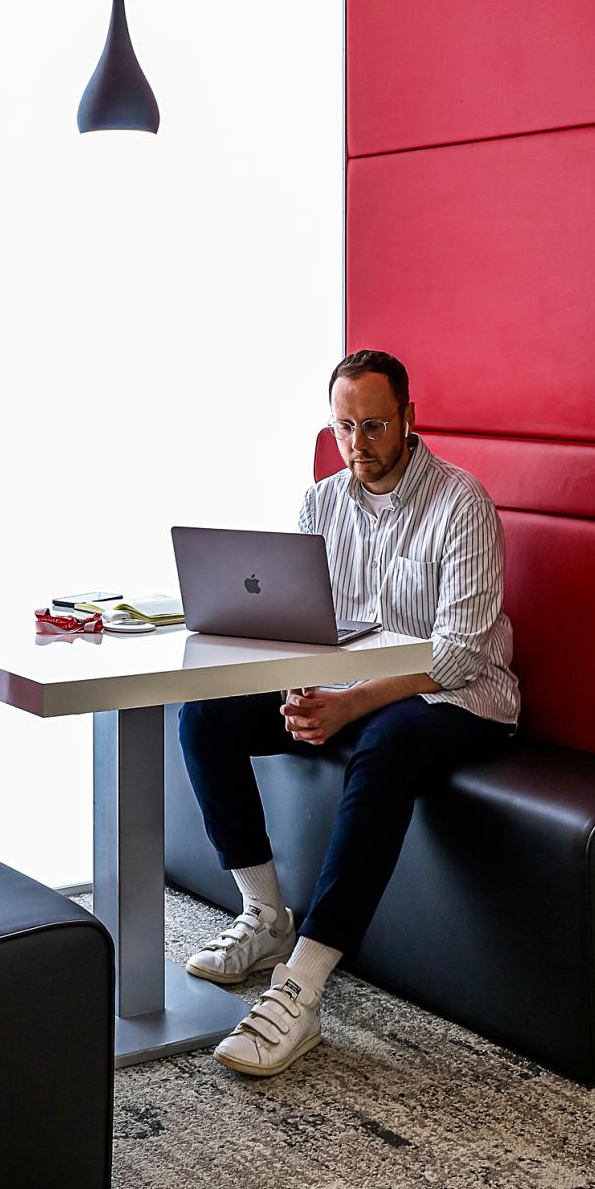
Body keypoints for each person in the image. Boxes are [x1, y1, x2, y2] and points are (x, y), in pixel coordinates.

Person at [177, 348, 517, 1078]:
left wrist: (351, 703)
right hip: (353, 692)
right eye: (343, 428)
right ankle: (265, 916)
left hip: (459, 700)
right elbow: (306, 622)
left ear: (409, 420)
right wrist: (301, 691)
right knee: (205, 713)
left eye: (373, 426)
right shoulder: (321, 502)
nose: (358, 445)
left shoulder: (462, 503)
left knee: (386, 745)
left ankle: (298, 989)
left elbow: (457, 655)